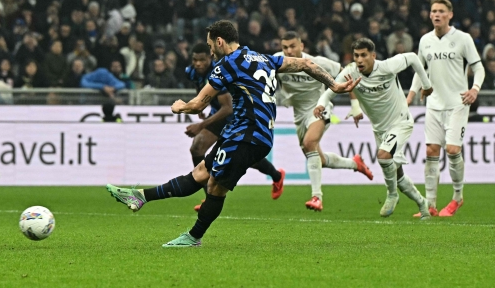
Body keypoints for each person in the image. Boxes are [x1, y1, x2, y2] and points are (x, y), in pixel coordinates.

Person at [106, 20, 360, 247]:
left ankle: (190, 234)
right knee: (201, 174)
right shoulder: (262, 58)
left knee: (214, 188)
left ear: (219, 41)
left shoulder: (227, 65)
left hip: (246, 136)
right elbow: (305, 63)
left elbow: (198, 104)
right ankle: (140, 197)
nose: (210, 51)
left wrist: (180, 106)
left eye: (210, 46)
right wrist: (334, 85)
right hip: (245, 134)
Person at [316, 37, 432, 220]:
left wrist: (427, 85)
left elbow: (413, 58)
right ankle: (423, 204)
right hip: (380, 129)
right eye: (356, 56)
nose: (359, 60)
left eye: (363, 55)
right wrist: (321, 104)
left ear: (373, 55)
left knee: (383, 155)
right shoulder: (351, 72)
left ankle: (392, 195)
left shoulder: (386, 67)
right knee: (397, 172)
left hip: (400, 122)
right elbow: (331, 89)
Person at [275, 31, 373, 211]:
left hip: (320, 107)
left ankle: (316, 197)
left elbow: (347, 74)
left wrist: (355, 104)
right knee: (317, 157)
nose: (289, 51)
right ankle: (355, 163)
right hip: (299, 115)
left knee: (309, 142)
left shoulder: (318, 62)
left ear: (301, 46)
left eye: (292, 46)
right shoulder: (278, 61)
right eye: (285, 47)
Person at [407, 0, 485, 217]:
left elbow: (479, 68)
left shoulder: (463, 39)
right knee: (431, 150)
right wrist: (411, 95)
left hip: (458, 103)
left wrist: (475, 89)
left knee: (452, 150)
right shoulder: (425, 40)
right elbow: (420, 70)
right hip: (434, 104)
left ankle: (457, 197)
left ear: (450, 15)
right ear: (430, 15)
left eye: (441, 11)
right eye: (433, 11)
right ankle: (430, 205)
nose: (437, 14)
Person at [185, 43, 285, 211]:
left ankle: (277, 175)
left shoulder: (220, 71)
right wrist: (203, 106)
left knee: (244, 158)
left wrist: (201, 124)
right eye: (195, 60)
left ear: (210, 58)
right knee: (197, 149)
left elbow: (227, 108)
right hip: (218, 115)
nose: (198, 64)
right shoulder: (192, 72)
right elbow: (201, 88)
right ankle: (208, 196)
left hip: (235, 117)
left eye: (202, 60)